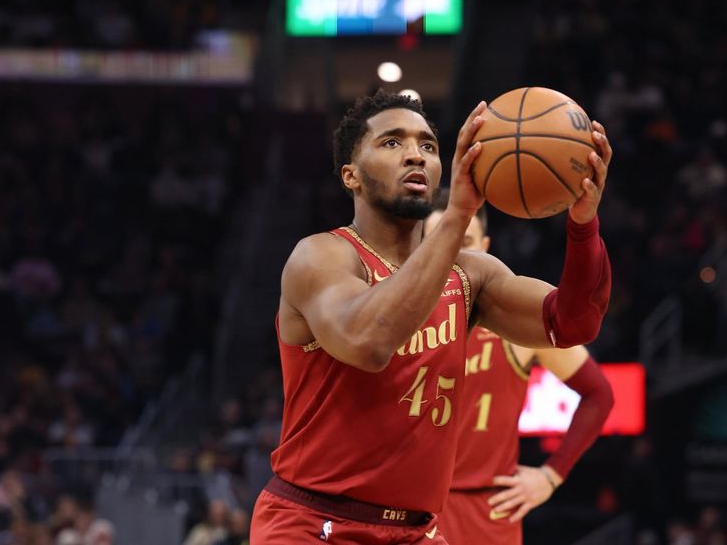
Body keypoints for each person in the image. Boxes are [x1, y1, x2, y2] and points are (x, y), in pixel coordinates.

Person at [249, 90, 613, 544]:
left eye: (427, 146)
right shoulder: (321, 257)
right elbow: (369, 342)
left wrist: (583, 225)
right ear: (351, 176)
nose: (414, 156)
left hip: (416, 531)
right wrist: (459, 214)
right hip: (314, 523)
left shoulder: (472, 275)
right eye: (391, 143)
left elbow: (575, 322)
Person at [425, 190, 614, 544]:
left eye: (464, 241)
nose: (454, 253)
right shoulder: (399, 320)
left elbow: (599, 394)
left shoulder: (512, 323)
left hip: (489, 510)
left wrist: (550, 476)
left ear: (485, 244)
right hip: (413, 507)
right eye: (440, 240)